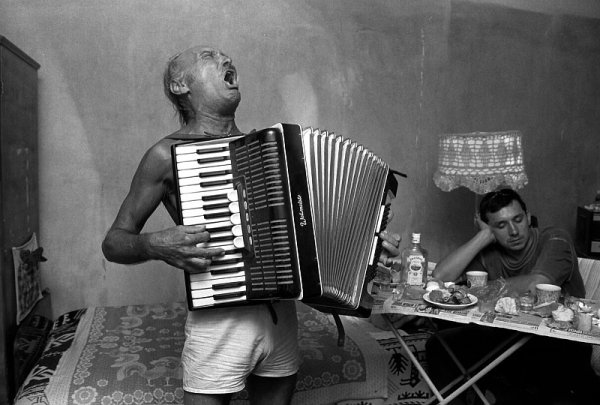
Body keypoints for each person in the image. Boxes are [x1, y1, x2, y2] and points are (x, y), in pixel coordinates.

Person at [102, 45, 401, 405]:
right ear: (180, 85)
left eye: (224, 56)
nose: (225, 59)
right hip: (218, 324)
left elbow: (314, 242)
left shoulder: (277, 155)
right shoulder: (165, 155)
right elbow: (114, 242)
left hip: (281, 320)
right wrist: (153, 245)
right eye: (209, 56)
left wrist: (367, 249)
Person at [426, 188, 596, 404]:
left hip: (558, 345)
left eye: (518, 220)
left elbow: (536, 284)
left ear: (528, 217)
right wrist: (482, 237)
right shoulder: (488, 252)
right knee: (439, 346)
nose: (514, 231)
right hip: (507, 339)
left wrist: (476, 291)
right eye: (501, 225)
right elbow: (440, 277)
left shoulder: (555, 238)